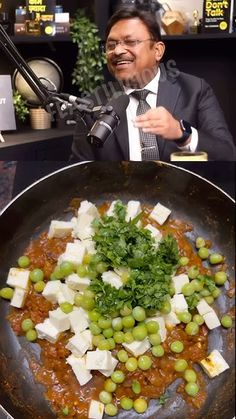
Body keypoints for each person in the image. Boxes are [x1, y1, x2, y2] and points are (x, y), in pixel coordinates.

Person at [71, 6, 236, 161]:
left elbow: (227, 154)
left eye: (130, 42)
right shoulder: (93, 105)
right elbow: (78, 173)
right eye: (111, 45)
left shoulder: (194, 90)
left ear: (157, 51)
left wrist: (182, 133)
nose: (118, 51)